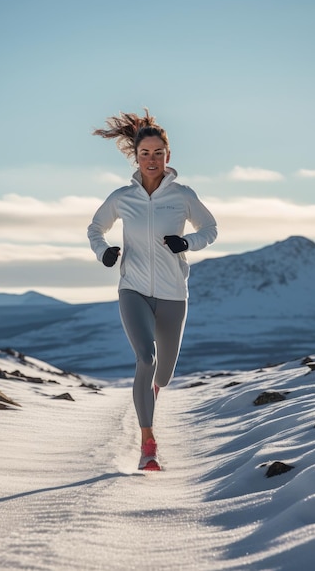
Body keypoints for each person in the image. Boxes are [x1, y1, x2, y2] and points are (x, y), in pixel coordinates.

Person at [87, 109, 217, 470]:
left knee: (163, 374)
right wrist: (105, 252)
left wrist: (187, 242)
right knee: (146, 359)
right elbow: (95, 229)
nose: (151, 159)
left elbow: (210, 229)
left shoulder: (182, 195)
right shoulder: (122, 197)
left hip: (174, 295)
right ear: (136, 156)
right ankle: (148, 443)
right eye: (145, 153)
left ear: (168, 156)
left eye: (158, 153)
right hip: (133, 290)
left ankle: (153, 391)